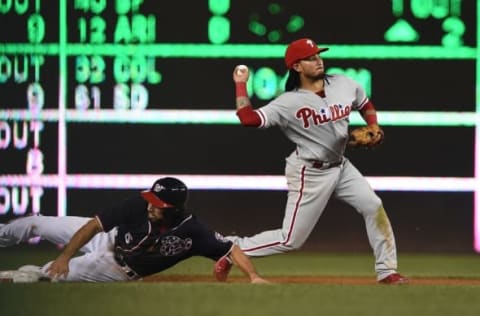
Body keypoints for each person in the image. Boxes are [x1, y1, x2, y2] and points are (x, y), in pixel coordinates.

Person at [215, 38, 408, 284]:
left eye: (318, 55)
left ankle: (387, 271)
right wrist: (240, 85)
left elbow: (364, 103)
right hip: (310, 171)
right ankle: (233, 248)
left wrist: (372, 123)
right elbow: (249, 119)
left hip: (341, 166)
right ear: (296, 66)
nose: (318, 60)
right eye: (310, 58)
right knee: (291, 240)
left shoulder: (343, 83)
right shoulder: (288, 102)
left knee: (373, 206)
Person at [0, 177, 268, 284]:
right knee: (35, 223)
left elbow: (231, 249)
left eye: (159, 205)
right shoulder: (140, 203)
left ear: (175, 209)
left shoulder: (192, 230)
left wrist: (254, 276)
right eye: (152, 200)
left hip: (117, 271)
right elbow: (94, 225)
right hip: (106, 239)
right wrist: (65, 256)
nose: (151, 207)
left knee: (44, 277)